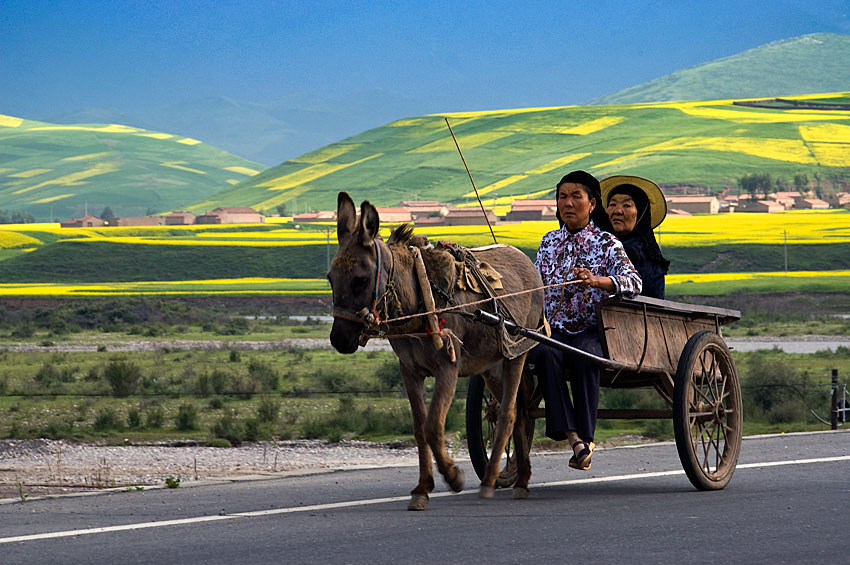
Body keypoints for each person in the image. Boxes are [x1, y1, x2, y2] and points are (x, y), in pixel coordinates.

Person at [531, 170, 642, 471]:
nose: (568, 203)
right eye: (562, 197)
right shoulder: (548, 242)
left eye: (575, 196)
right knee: (543, 352)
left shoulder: (607, 243)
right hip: (554, 328)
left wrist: (598, 281)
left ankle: (586, 436)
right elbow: (535, 285)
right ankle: (574, 438)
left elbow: (634, 282)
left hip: (595, 329)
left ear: (592, 204)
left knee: (583, 356)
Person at [601, 175, 670, 299]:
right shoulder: (604, 246)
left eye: (626, 205)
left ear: (640, 214)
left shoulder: (636, 252)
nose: (617, 211)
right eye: (612, 205)